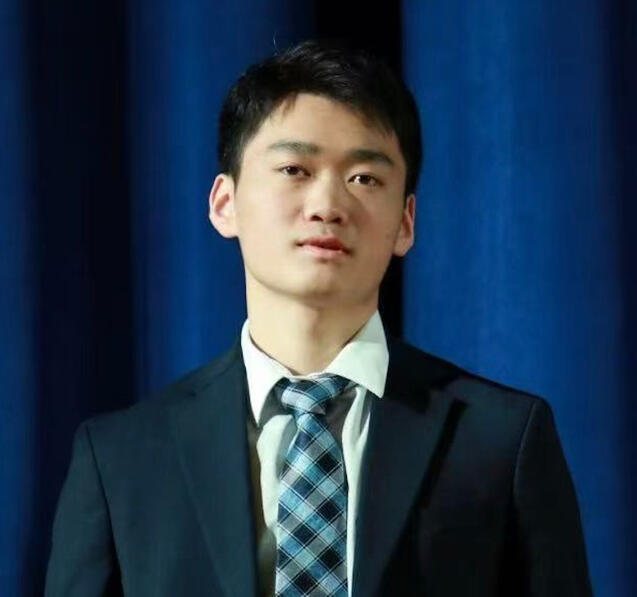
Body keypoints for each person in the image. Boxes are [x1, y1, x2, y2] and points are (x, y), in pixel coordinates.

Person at [45, 39, 593, 597]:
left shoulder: (502, 438)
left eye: (365, 178)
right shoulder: (120, 459)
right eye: (294, 169)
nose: (328, 205)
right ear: (224, 203)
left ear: (406, 222)